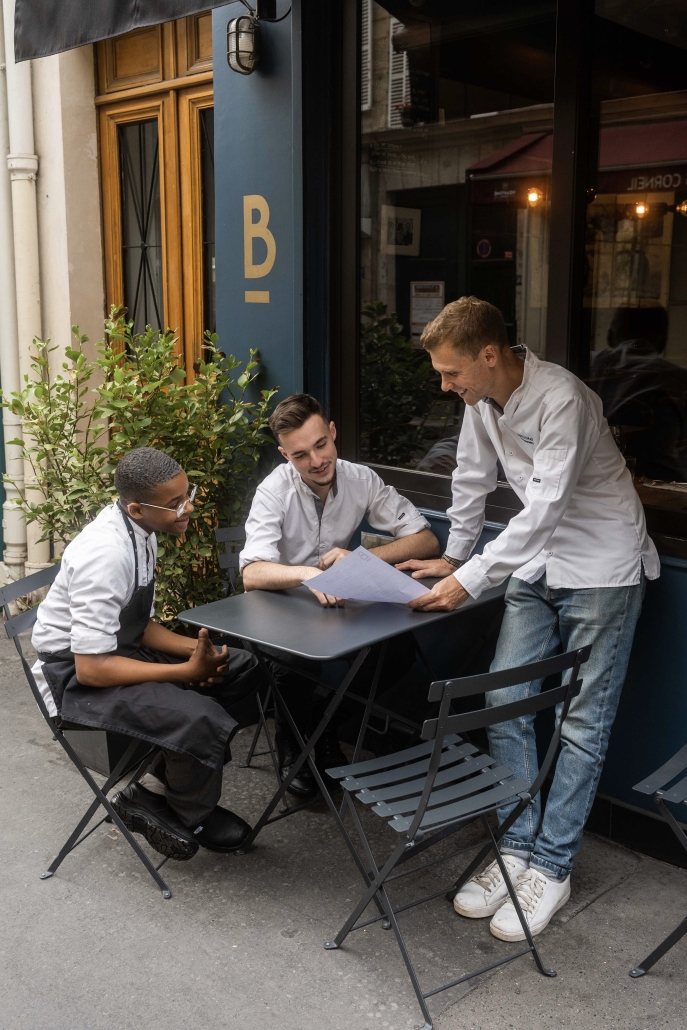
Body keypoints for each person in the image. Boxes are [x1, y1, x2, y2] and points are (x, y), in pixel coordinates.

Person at [397, 296, 659, 941]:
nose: (444, 384)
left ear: (490, 354)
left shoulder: (563, 399)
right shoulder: (479, 402)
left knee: (581, 724)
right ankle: (515, 848)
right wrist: (455, 555)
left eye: (451, 371)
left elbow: (543, 509)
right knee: (507, 699)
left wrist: (469, 579)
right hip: (533, 565)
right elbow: (469, 478)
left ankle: (552, 864)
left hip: (600, 567)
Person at [32, 447, 264, 862]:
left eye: (186, 493)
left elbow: (139, 625)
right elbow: (90, 668)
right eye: (176, 504)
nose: (188, 507)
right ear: (137, 508)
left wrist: (200, 652)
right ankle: (186, 810)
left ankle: (170, 784)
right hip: (74, 681)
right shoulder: (105, 555)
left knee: (240, 665)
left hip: (120, 651)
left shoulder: (143, 534)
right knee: (198, 714)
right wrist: (185, 673)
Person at [240, 392, 439, 798]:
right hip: (279, 605)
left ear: (332, 433)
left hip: (335, 606)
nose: (315, 461)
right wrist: (308, 574)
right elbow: (251, 573)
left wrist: (363, 558)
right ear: (284, 456)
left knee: (396, 653)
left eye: (320, 445)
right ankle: (292, 748)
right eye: (300, 455)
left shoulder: (360, 478)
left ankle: (325, 725)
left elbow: (425, 539)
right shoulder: (272, 491)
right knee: (292, 663)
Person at [588, 304, 687, 481]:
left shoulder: (584, 367)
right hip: (662, 482)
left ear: (609, 336)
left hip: (591, 479)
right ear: (663, 342)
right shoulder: (678, 379)